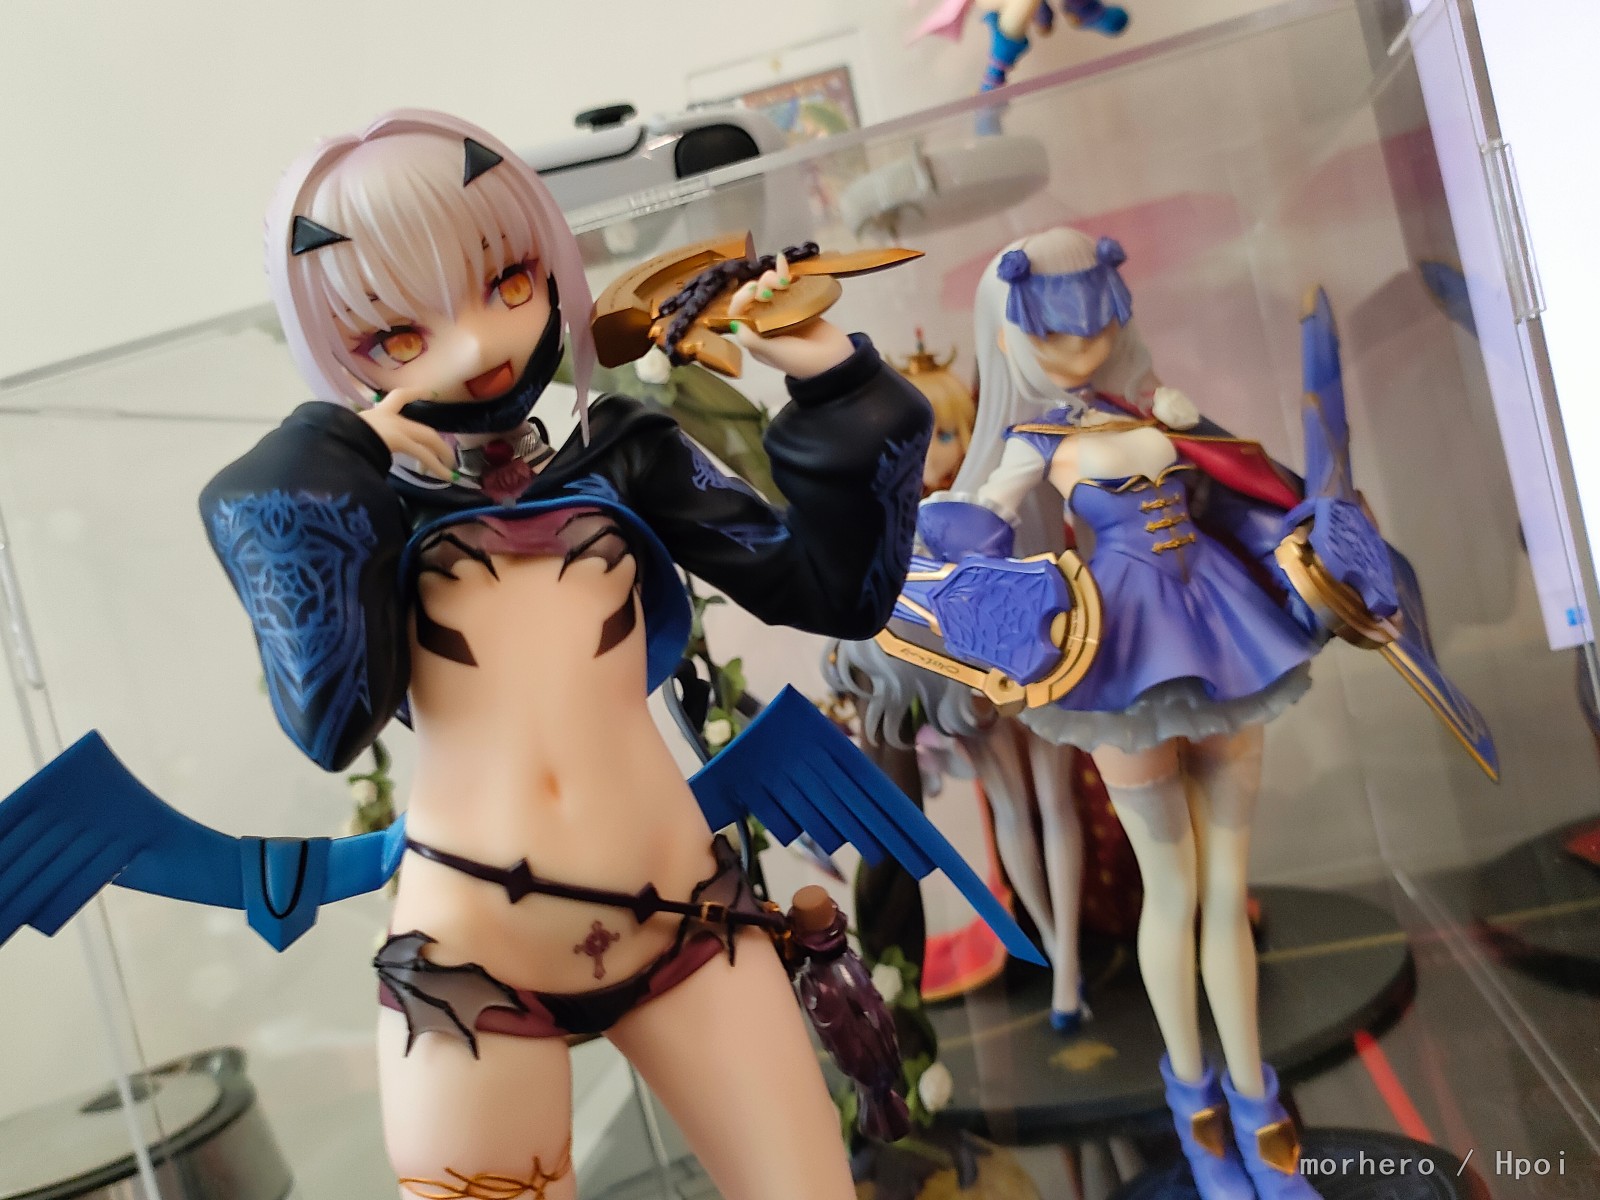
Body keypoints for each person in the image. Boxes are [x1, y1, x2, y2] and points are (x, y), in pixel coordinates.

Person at [211, 108, 933, 1200]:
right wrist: (329, 449)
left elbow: (832, 590)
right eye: (397, 335)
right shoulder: (362, 506)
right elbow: (328, 722)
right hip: (468, 962)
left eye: (507, 280)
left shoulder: (622, 453)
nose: (476, 345)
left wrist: (837, 388)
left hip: (683, 915)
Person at [919, 226, 1321, 1200]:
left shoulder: (1158, 408)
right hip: (1122, 654)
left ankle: (1260, 1111)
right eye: (1054, 333)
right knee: (1171, 891)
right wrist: (943, 559)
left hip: (1222, 632)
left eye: (1095, 324)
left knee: (1226, 886)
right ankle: (1201, 1122)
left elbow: (1250, 488)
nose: (1080, 346)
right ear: (1013, 333)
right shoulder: (1034, 441)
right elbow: (974, 527)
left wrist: (1220, 453)